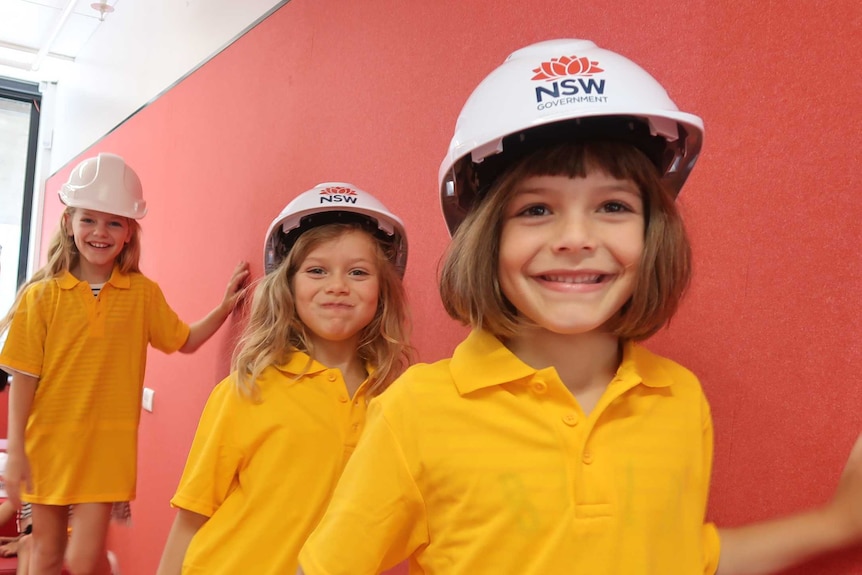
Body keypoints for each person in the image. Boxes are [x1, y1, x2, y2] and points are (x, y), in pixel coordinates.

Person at [297, 39, 862, 574]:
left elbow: (681, 555)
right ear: (486, 238)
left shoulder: (680, 399)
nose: (575, 237)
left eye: (612, 206)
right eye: (536, 210)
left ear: (653, 234)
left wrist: (838, 522)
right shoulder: (415, 412)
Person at [0, 153, 249, 575]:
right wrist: (17, 453)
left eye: (114, 222)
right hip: (49, 447)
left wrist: (225, 308)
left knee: (81, 561)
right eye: (88, 220)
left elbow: (184, 341)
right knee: (46, 555)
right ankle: (28, 552)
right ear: (68, 223)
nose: (100, 232)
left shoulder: (142, 294)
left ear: (130, 232)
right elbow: (24, 380)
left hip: (107, 454)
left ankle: (28, 551)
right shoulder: (40, 297)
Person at [156, 182, 413, 575]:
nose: (338, 285)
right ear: (288, 287)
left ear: (383, 290)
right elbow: (191, 520)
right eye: (317, 270)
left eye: (358, 272)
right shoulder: (246, 390)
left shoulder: (396, 402)